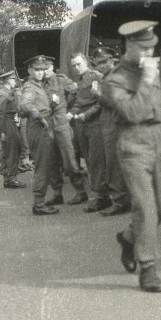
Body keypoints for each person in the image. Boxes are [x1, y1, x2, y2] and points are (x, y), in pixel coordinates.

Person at [104, 20, 161, 292]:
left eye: (152, 48)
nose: (149, 54)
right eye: (143, 49)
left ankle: (128, 238)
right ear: (129, 46)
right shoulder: (115, 80)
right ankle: (148, 269)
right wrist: (146, 79)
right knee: (146, 207)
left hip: (160, 141)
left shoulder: (152, 70)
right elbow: (133, 113)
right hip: (134, 145)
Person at [67, 52, 111, 213]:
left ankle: (101, 197)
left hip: (95, 124)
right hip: (82, 125)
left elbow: (101, 102)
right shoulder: (78, 81)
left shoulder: (97, 77)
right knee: (89, 162)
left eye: (78, 64)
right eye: (74, 65)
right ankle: (99, 194)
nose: (76, 68)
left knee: (97, 161)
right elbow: (79, 101)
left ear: (86, 62)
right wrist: (72, 113)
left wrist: (86, 115)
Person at [42, 57, 89, 206]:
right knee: (51, 161)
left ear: (52, 67)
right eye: (42, 69)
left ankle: (80, 191)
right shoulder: (40, 84)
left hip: (62, 123)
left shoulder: (62, 80)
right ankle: (57, 193)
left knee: (69, 160)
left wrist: (72, 110)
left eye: (47, 68)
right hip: (47, 125)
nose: (44, 71)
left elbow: (77, 93)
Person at [90, 47, 131, 216]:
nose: (100, 66)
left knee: (114, 164)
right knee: (112, 163)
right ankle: (120, 199)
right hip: (110, 125)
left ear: (112, 60)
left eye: (104, 62)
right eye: (98, 63)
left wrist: (98, 95)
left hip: (116, 125)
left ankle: (120, 201)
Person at [20, 55, 59, 215]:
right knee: (42, 166)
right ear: (30, 70)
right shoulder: (30, 87)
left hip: (41, 126)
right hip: (39, 128)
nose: (40, 73)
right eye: (37, 70)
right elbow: (25, 104)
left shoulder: (39, 86)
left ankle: (40, 201)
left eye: (42, 70)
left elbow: (23, 110)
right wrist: (39, 117)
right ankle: (39, 203)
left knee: (45, 164)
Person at [0, 71, 26, 189]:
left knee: (8, 151)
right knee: (12, 150)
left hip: (8, 122)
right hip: (7, 123)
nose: (15, 82)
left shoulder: (5, 93)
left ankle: (7, 178)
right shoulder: (4, 94)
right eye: (13, 80)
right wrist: (1, 131)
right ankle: (11, 178)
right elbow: (0, 113)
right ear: (9, 80)